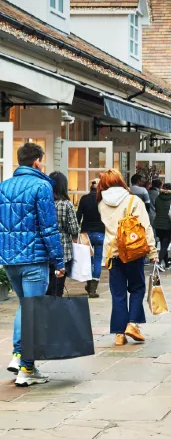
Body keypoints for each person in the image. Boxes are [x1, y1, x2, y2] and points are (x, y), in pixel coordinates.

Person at [0, 143, 64, 386]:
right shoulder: (41, 185)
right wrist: (58, 261)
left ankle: (20, 358)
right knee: (32, 310)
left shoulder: (3, 187)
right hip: (35, 260)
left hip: (9, 260)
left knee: (25, 307)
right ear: (37, 161)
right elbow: (49, 227)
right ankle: (26, 368)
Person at [98, 169, 157, 346]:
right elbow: (145, 227)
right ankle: (132, 324)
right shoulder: (133, 200)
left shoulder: (101, 203)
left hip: (112, 253)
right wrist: (153, 251)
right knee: (137, 288)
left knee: (118, 293)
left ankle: (119, 334)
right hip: (132, 251)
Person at [46, 172, 79, 297]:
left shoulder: (43, 202)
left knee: (47, 286)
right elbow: (74, 229)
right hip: (63, 251)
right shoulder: (66, 204)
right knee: (58, 286)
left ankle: (46, 312)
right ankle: (56, 312)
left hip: (45, 250)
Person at [77, 179, 105, 298]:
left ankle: (89, 285)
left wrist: (76, 230)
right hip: (100, 232)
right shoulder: (103, 200)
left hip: (86, 233)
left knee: (88, 260)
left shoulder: (84, 199)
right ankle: (93, 288)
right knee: (98, 260)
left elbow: (78, 215)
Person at [153, 182, 171, 269]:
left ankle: (166, 263)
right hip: (168, 224)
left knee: (163, 244)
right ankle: (158, 262)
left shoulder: (158, 198)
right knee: (165, 245)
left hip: (158, 224)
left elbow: (156, 209)